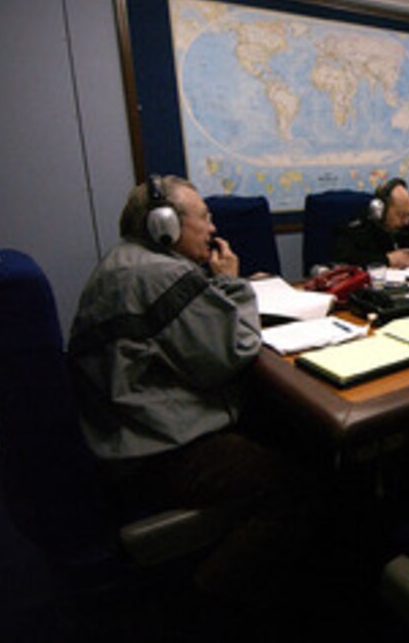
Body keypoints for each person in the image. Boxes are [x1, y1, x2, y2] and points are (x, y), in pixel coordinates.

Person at [68, 175, 325, 610]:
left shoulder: (127, 260)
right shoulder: (160, 274)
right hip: (155, 453)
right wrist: (232, 282)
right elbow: (233, 351)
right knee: (297, 488)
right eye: (203, 218)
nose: (212, 229)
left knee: (284, 426)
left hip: (121, 431)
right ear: (163, 225)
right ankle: (203, 604)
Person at [332, 177, 409, 268]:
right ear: (380, 210)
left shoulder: (407, 225)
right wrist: (387, 260)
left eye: (408, 215)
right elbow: (344, 260)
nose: (406, 221)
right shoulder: (360, 228)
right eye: (400, 215)